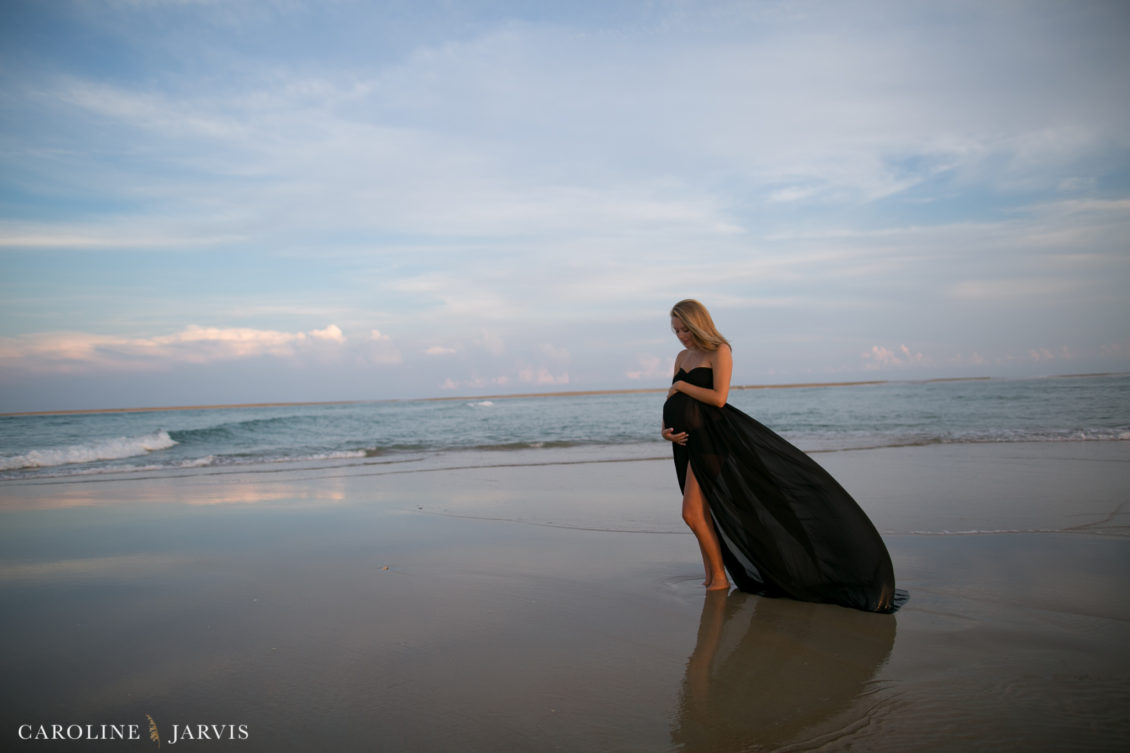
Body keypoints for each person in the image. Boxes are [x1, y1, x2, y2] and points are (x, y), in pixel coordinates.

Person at [661, 299, 902, 612]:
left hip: (713, 441)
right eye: (676, 330)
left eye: (685, 329)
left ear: (698, 324)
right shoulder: (681, 356)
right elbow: (671, 400)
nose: (681, 336)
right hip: (684, 443)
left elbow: (718, 398)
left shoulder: (720, 351)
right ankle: (711, 576)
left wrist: (681, 384)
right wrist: (665, 429)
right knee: (702, 514)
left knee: (691, 513)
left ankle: (720, 578)